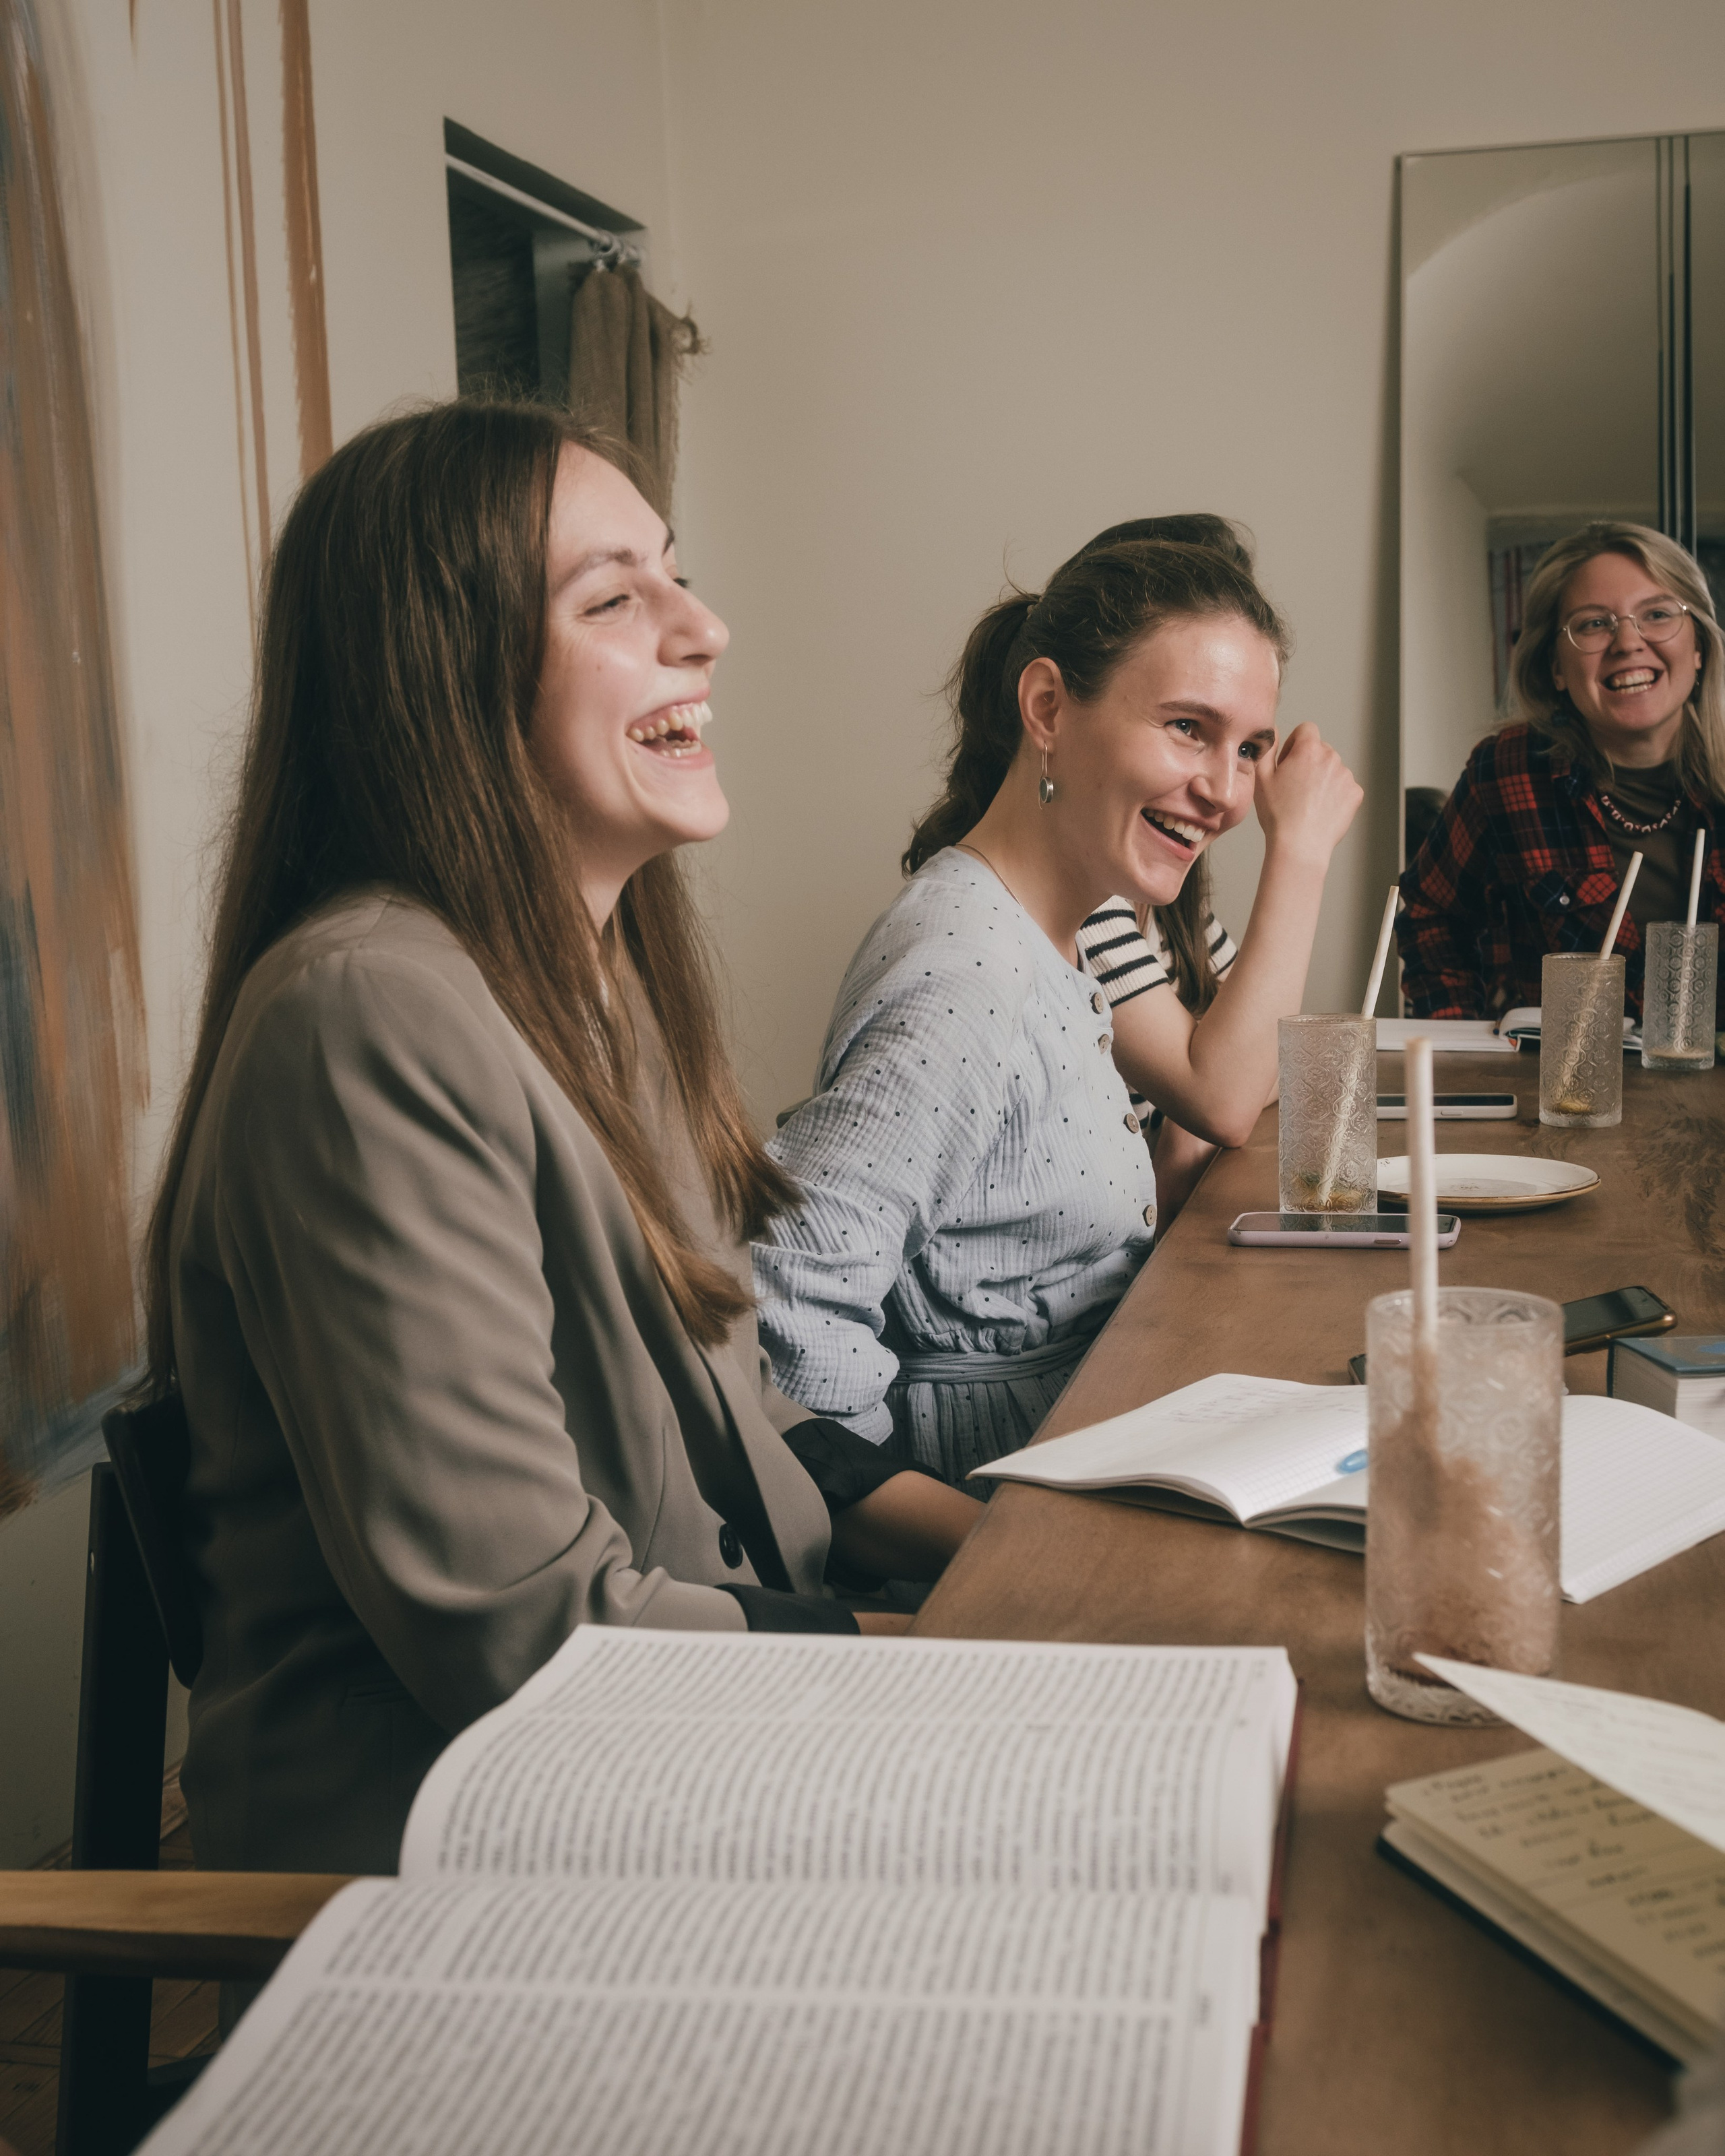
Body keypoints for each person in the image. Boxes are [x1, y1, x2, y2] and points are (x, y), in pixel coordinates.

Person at [144, 402, 981, 1878]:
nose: (703, 627)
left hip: (669, 1757)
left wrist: (998, 1558)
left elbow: (745, 1429)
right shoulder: (366, 1016)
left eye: (675, 572)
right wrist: (934, 1669)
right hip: (471, 1858)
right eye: (614, 597)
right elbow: (522, 1631)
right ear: (442, 680)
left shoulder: (594, 985)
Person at [755, 534, 1362, 1486]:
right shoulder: (965, 977)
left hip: (1092, 1440)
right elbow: (786, 1314)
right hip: (1004, 1508)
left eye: (1249, 749)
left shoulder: (1057, 935)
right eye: (1188, 729)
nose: (1228, 792)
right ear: (1047, 708)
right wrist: (977, 1552)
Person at [1399, 521, 1725, 1021]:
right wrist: (1463, 1046)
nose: (1628, 643)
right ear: (1555, 666)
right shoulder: (1505, 773)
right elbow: (1432, 914)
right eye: (1594, 624)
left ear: (1698, 647)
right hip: (1564, 1092)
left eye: (1657, 614)